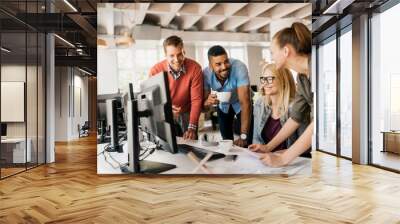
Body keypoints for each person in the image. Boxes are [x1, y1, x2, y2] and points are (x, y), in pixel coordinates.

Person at [249, 22, 313, 167]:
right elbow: (296, 117)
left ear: (286, 51)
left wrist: (282, 159)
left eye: (272, 52)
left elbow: (317, 124)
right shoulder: (302, 78)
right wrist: (268, 147)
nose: (272, 57)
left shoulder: (318, 67)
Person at [149, 35, 203, 140]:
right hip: (165, 111)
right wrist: (166, 109)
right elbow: (152, 101)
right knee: (168, 144)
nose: (177, 59)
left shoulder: (195, 68)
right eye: (172, 56)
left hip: (187, 111)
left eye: (180, 54)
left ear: (184, 51)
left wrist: (192, 127)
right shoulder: (155, 71)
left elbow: (196, 99)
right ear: (165, 55)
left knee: (190, 142)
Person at [252, 63, 311, 157]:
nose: (265, 83)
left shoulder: (296, 107)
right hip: (266, 159)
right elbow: (256, 139)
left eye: (270, 79)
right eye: (263, 79)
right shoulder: (260, 104)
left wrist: (277, 156)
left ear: (283, 80)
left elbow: (306, 148)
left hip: (291, 160)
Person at [203, 45, 251, 147]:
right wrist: (208, 102)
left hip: (240, 102)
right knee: (227, 141)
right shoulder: (206, 74)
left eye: (226, 61)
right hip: (223, 105)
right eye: (218, 64)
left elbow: (245, 102)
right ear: (211, 66)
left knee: (248, 138)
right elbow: (204, 106)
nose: (224, 67)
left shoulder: (239, 67)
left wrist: (243, 136)